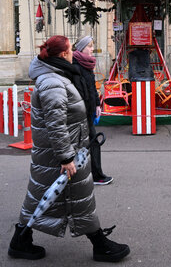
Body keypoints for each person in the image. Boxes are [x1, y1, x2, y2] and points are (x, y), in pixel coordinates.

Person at [8, 35, 130, 262]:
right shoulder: (53, 82)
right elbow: (56, 124)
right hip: (63, 154)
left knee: (53, 197)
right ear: (63, 54)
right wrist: (66, 157)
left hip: (66, 151)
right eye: (70, 49)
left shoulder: (56, 76)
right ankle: (99, 245)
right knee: (74, 198)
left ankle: (21, 240)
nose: (74, 52)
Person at [72, 35, 113, 186]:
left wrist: (97, 104)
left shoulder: (87, 64)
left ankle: (93, 174)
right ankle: (95, 175)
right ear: (82, 48)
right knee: (90, 142)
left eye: (92, 45)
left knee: (90, 142)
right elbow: (78, 91)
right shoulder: (75, 66)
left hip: (88, 111)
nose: (92, 49)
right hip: (80, 113)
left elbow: (92, 87)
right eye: (89, 46)